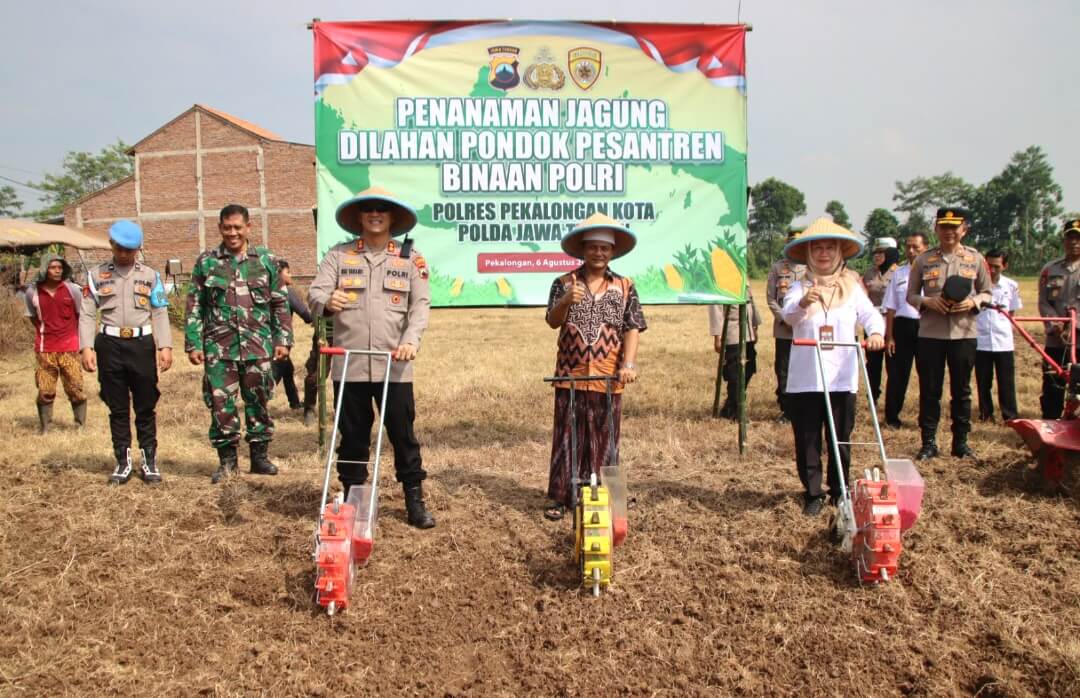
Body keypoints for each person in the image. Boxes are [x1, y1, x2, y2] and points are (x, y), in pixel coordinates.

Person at [307, 186, 435, 529]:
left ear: (392, 217)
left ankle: (414, 499)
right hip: (350, 365)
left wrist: (411, 341)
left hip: (395, 365)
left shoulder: (410, 258)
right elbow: (315, 293)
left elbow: (420, 306)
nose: (375, 214)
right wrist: (327, 301)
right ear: (359, 217)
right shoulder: (339, 255)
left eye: (382, 209)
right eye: (368, 210)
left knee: (402, 433)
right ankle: (354, 502)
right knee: (352, 436)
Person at [544, 213, 645, 521]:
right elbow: (552, 321)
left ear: (612, 252)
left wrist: (628, 363)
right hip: (571, 375)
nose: (598, 253)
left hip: (609, 375)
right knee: (567, 437)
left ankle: (613, 499)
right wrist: (565, 302)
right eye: (593, 247)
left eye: (604, 248)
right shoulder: (563, 283)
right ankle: (561, 498)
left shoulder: (625, 286)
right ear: (582, 250)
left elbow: (633, 327)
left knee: (608, 439)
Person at [781, 217, 885, 516]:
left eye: (830, 248)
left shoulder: (852, 286)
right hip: (807, 377)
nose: (824, 254)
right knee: (808, 438)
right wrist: (803, 303)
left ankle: (839, 490)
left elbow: (869, 315)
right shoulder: (799, 286)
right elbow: (788, 317)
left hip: (841, 375)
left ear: (840, 253)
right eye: (817, 249)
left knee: (840, 437)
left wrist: (876, 333)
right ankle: (813, 493)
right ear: (809, 253)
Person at [185, 204, 293, 483]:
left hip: (259, 347)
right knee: (221, 405)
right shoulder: (207, 262)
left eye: (237, 227)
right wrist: (194, 343)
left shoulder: (267, 259)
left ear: (248, 227)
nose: (232, 233)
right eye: (226, 227)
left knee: (259, 402)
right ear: (219, 228)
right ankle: (228, 462)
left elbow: (280, 303)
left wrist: (283, 340)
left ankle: (259, 457)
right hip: (219, 350)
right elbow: (195, 305)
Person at [79, 221, 173, 484]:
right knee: (117, 407)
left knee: (146, 406)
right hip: (109, 346)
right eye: (119, 248)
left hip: (141, 346)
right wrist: (86, 347)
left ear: (138, 249)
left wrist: (165, 346)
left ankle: (149, 462)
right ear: (111, 245)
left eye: (129, 250)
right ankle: (122, 462)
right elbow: (87, 313)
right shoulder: (96, 275)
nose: (123, 254)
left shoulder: (151, 276)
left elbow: (159, 312)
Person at [906, 208, 992, 460]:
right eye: (944, 226)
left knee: (962, 390)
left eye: (954, 227)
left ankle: (961, 442)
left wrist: (973, 302)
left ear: (963, 229)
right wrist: (927, 302)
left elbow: (987, 292)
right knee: (930, 389)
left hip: (964, 333)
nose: (949, 232)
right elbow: (910, 295)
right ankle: (929, 442)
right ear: (936, 229)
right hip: (931, 334)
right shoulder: (923, 260)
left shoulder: (975, 259)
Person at [24, 253, 87, 433]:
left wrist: (83, 344)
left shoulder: (73, 290)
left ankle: (80, 425)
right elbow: (33, 318)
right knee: (45, 389)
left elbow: (82, 316)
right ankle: (46, 427)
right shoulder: (32, 292)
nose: (57, 271)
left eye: (60, 268)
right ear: (45, 270)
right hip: (45, 349)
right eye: (53, 267)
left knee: (75, 387)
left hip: (70, 347)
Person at [882, 232, 928, 429]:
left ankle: (926, 420)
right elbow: (890, 307)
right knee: (898, 375)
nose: (911, 251)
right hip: (903, 326)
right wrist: (889, 336)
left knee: (928, 375)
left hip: (928, 327)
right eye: (908, 246)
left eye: (916, 247)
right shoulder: (899, 274)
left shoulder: (934, 272)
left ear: (925, 247)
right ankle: (892, 418)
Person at [1037, 219, 1080, 418]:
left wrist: (1074, 325)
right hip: (1056, 339)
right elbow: (1044, 301)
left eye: (1078, 238)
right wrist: (1056, 324)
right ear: (1064, 241)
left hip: (1078, 339)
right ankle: (1051, 423)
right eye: (1070, 237)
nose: (1074, 242)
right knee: (1053, 383)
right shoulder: (1050, 269)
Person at [974, 250, 1021, 422]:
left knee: (1006, 382)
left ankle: (1010, 416)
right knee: (983, 381)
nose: (992, 270)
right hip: (981, 340)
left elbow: (1012, 312)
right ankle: (986, 414)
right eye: (989, 266)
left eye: (996, 266)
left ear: (1004, 266)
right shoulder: (974, 286)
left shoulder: (1011, 285)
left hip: (1003, 341)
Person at [765, 229, 806, 422]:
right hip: (783, 329)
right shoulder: (777, 268)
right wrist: (785, 319)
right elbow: (771, 298)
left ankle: (803, 407)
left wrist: (798, 319)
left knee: (804, 368)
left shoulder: (810, 268)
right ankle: (786, 410)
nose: (794, 247)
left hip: (804, 329)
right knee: (783, 369)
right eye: (790, 243)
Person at [708, 286, 762, 420]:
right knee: (735, 374)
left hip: (747, 332)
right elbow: (716, 310)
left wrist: (755, 326)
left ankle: (730, 407)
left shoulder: (744, 283)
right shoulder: (719, 286)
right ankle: (736, 411)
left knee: (749, 369)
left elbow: (752, 306)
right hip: (732, 333)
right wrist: (717, 336)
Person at [861, 237, 899, 404]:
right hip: (872, 323)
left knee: (894, 365)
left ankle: (892, 401)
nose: (876, 256)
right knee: (873, 364)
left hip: (894, 322)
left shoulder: (900, 272)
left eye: (881, 253)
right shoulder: (869, 273)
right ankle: (872, 397)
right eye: (875, 253)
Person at [271, 259, 312, 410]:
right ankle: (259, 406)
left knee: (287, 369)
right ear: (279, 274)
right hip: (281, 340)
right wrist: (316, 318)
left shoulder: (265, 290)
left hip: (265, 339)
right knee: (274, 374)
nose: (291, 275)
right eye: (288, 272)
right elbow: (304, 313)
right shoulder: (286, 291)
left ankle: (294, 403)